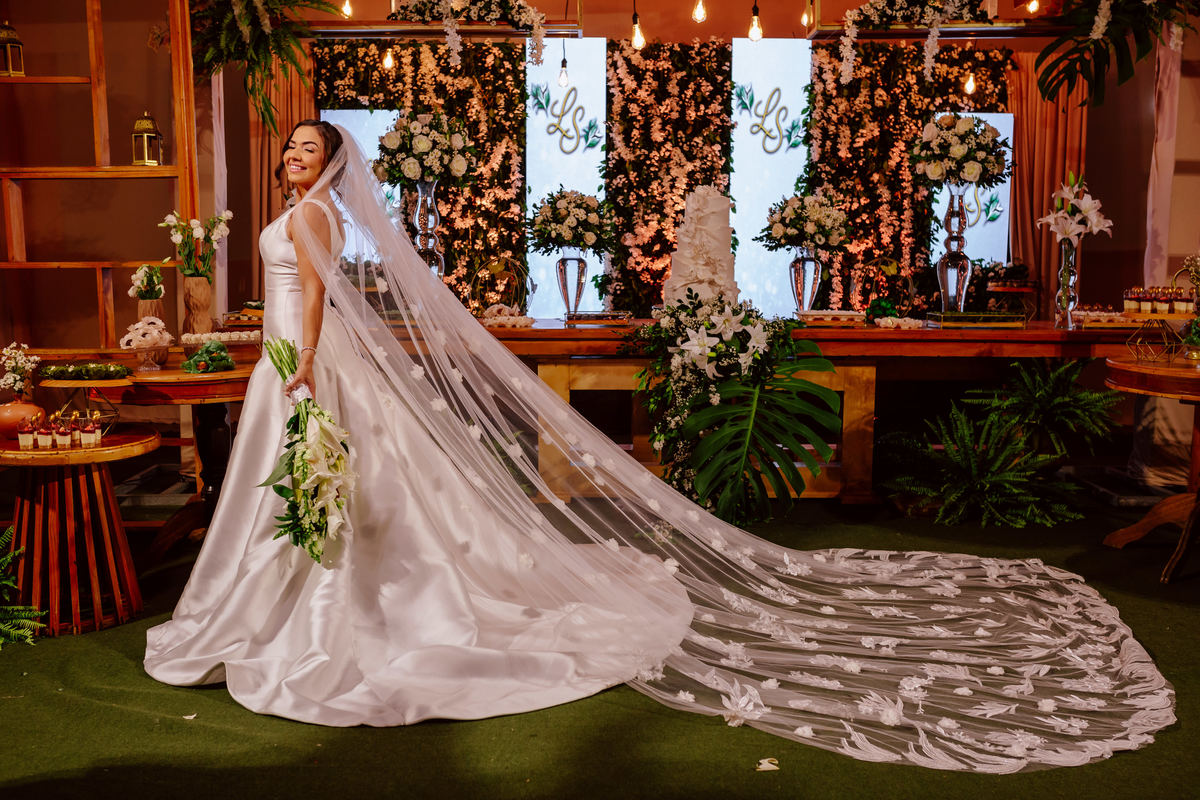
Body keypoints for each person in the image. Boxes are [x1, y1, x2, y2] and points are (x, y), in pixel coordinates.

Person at [146, 121, 1174, 771]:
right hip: (292, 362)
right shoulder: (302, 211)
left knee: (326, 484)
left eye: (309, 150)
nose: (297, 158)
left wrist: (298, 367)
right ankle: (287, 599)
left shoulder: (314, 220)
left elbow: (319, 299)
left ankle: (316, 609)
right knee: (312, 488)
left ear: (333, 165)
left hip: (302, 364)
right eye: (291, 149)